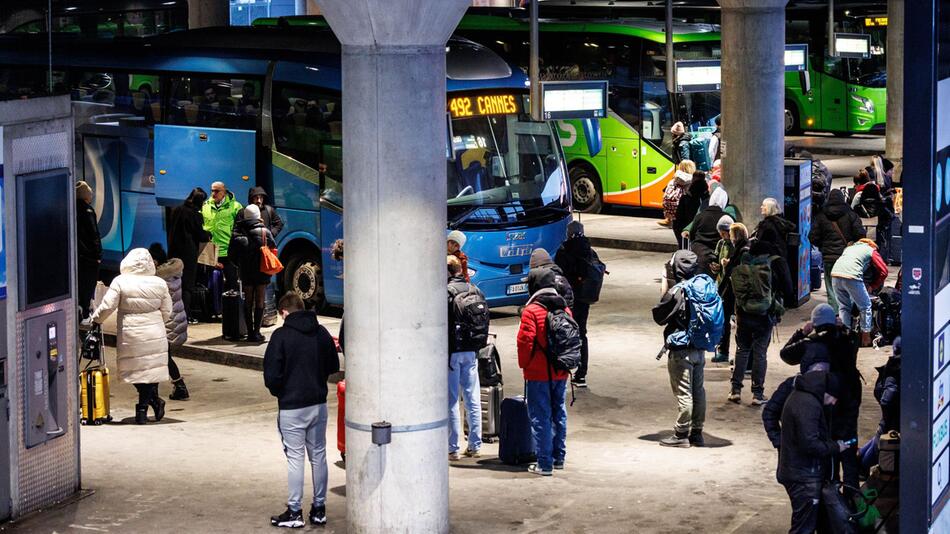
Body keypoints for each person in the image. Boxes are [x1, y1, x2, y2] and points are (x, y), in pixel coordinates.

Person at [264, 292, 340, 528]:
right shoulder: (321, 333)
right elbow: (333, 365)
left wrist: (282, 392)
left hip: (292, 407)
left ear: (284, 312)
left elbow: (271, 376)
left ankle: (294, 511)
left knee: (296, 458)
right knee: (318, 456)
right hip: (318, 404)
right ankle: (319, 509)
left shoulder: (281, 336)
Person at [90, 248, 172, 425]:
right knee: (149, 371)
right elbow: (167, 311)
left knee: (135, 371)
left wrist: (96, 320)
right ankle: (150, 404)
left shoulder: (120, 281)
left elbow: (107, 305)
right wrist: (156, 321)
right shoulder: (159, 283)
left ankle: (143, 408)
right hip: (155, 331)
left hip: (131, 331)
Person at [652, 249, 722, 448]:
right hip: (700, 347)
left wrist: (665, 284)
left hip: (681, 349)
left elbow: (659, 316)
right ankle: (697, 432)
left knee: (684, 393)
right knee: (698, 391)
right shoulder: (703, 285)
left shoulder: (679, 291)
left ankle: (681, 434)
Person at [775, 371, 848, 534]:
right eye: (833, 398)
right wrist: (836, 447)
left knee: (804, 523)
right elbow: (809, 444)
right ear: (827, 392)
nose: (833, 402)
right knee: (803, 528)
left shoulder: (802, 398)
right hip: (803, 476)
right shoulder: (808, 405)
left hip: (799, 472)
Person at [728, 238, 793, 406]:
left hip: (743, 313)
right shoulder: (774, 264)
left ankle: (735, 390)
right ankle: (757, 393)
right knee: (760, 353)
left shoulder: (744, 264)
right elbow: (788, 290)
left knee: (742, 350)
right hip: (765, 316)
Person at [517, 285, 572, 475]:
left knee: (541, 417)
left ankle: (544, 464)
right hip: (561, 371)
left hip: (538, 373)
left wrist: (525, 366)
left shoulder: (531, 311)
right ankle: (559, 459)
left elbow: (525, 342)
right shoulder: (564, 308)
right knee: (559, 414)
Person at [446, 255, 487, 460]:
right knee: (472, 397)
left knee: (452, 400)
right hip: (472, 350)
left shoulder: (447, 293)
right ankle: (475, 444)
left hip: (452, 352)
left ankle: (452, 448)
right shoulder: (475, 290)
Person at [809, 189, 866, 310]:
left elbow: (813, 237)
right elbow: (860, 234)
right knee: (848, 285)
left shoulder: (821, 215)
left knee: (831, 287)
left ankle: (835, 314)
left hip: (829, 257)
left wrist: (823, 246)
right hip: (847, 257)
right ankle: (847, 312)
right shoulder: (850, 214)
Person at [555, 220, 595, 387]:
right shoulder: (589, 250)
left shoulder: (565, 250)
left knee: (564, 333)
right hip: (584, 298)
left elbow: (558, 272)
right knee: (581, 333)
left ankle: (564, 368)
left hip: (568, 298)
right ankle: (582, 373)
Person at [149, 244, 190, 401]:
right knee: (163, 356)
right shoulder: (174, 274)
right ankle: (177, 387)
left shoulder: (158, 280)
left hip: (166, 324)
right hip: (176, 322)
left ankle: (156, 393)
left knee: (160, 357)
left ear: (156, 261)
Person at [234, 204, 277, 343]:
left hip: (245, 272)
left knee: (248, 300)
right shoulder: (265, 232)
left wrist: (240, 265)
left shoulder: (238, 232)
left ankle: (249, 332)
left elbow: (231, 255)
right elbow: (273, 249)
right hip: (261, 271)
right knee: (260, 300)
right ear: (258, 216)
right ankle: (256, 333)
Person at [168, 188, 211, 322]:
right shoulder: (195, 215)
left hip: (174, 252)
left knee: (175, 285)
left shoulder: (176, 210)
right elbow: (201, 235)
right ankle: (185, 314)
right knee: (187, 286)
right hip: (188, 254)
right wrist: (209, 234)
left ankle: (174, 313)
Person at [831, 239, 879, 345]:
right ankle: (865, 338)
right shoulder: (871, 250)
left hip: (835, 274)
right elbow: (883, 270)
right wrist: (873, 285)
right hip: (852, 276)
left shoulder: (849, 248)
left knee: (843, 307)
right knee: (865, 306)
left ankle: (844, 336)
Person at [201, 181, 243, 291]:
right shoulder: (206, 206)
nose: (213, 194)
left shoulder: (235, 206)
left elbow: (241, 228)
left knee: (231, 284)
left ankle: (231, 307)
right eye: (212, 191)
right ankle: (213, 308)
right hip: (210, 251)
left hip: (228, 250)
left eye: (217, 191)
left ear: (224, 192)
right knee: (210, 285)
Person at [710, 216, 736, 363]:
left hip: (733, 287)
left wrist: (727, 265)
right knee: (723, 320)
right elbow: (715, 260)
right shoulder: (721, 244)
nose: (721, 235)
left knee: (732, 320)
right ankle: (723, 351)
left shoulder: (735, 245)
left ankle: (734, 354)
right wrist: (716, 267)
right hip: (721, 285)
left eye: (722, 231)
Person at [76, 181, 102, 318]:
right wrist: (98, 254)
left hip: (78, 256)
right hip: (89, 257)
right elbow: (94, 234)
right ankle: (85, 313)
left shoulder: (72, 208)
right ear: (86, 196)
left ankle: (81, 308)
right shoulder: (88, 211)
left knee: (80, 284)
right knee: (88, 284)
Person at [673, 171, 708, 249]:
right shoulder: (706, 197)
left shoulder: (687, 197)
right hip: (695, 228)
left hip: (684, 226)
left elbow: (678, 216)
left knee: (684, 247)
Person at [660, 160, 696, 227]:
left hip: (671, 207)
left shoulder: (675, 179)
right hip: (684, 206)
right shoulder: (693, 179)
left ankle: (669, 219)